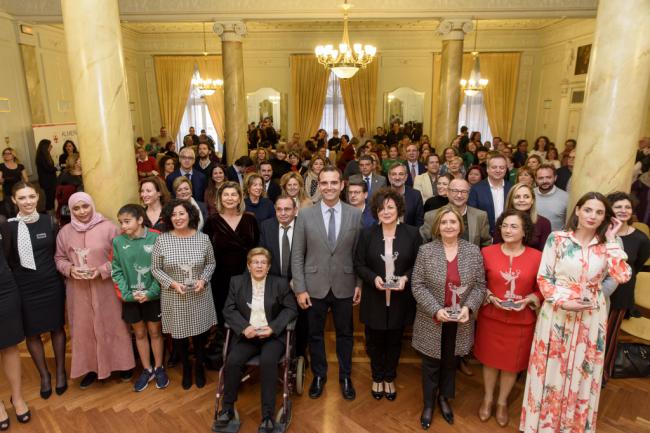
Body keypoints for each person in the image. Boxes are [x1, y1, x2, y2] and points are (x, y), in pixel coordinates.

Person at [520, 192, 632, 433]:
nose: (593, 216)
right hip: (557, 314)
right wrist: (563, 301)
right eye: (588, 209)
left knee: (583, 369)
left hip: (590, 317)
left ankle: (571, 426)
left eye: (599, 212)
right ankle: (542, 426)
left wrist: (612, 238)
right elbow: (544, 278)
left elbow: (623, 276)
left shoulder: (608, 245)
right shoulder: (557, 239)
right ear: (578, 210)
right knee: (550, 367)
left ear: (606, 218)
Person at [411, 206, 486, 428]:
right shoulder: (426, 251)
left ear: (460, 226)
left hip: (460, 320)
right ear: (437, 227)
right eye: (444, 222)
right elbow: (417, 285)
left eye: (453, 222)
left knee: (450, 361)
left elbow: (480, 286)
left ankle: (444, 398)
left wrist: (469, 308)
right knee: (431, 363)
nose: (449, 226)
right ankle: (428, 404)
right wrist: (435, 309)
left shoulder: (473, 252)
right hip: (432, 318)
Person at [292, 166, 362, 401]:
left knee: (345, 334)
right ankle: (319, 375)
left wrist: (359, 284)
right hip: (314, 286)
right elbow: (297, 254)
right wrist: (300, 288)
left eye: (334, 183)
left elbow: (358, 255)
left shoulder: (355, 214)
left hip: (344, 284)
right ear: (318, 186)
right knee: (315, 335)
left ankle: (345, 376)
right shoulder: (305, 214)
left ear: (342, 185)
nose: (329, 187)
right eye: (324, 183)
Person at [55, 192, 135, 389]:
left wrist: (101, 271)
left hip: (105, 287)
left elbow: (120, 257)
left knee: (114, 324)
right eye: (76, 208)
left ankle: (123, 365)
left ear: (92, 205)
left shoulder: (109, 228)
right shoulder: (64, 232)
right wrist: (70, 269)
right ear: (71, 210)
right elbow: (59, 258)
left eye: (85, 206)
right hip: (78, 290)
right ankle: (91, 368)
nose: (82, 212)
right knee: (83, 329)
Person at [215, 248, 297, 433]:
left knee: (269, 362)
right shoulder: (237, 282)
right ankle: (227, 409)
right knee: (233, 361)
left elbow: (291, 309)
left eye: (263, 262)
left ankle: (267, 416)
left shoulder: (279, 283)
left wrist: (273, 328)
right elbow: (228, 309)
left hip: (272, 337)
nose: (259, 265)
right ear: (248, 265)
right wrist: (244, 328)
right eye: (255, 262)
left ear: (268, 267)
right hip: (248, 335)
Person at [475, 209, 543, 427]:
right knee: (490, 361)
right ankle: (487, 398)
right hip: (491, 317)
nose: (507, 230)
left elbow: (543, 288)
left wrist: (530, 299)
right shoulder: (487, 252)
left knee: (511, 365)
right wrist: (488, 296)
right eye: (504, 225)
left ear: (525, 231)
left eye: (514, 226)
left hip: (521, 321)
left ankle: (502, 402)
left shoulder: (537, 257)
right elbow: (477, 283)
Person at [355, 188, 421, 401]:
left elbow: (419, 264)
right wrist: (373, 278)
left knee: (394, 341)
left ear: (399, 209)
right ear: (376, 211)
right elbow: (359, 264)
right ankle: (377, 376)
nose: (386, 212)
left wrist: (405, 278)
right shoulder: (367, 234)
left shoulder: (412, 233)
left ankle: (390, 377)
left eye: (390, 207)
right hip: (374, 297)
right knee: (374, 341)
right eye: (381, 208)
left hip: (400, 299)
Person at [3, 182, 67, 400]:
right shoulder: (8, 226)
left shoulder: (49, 221)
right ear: (14, 200)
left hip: (51, 283)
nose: (28, 201)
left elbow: (56, 252)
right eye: (22, 198)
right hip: (24, 286)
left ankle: (60, 372)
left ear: (38, 197)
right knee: (32, 333)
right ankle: (44, 376)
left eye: (31, 196)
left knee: (57, 328)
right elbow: (8, 258)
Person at [151, 199, 217, 390]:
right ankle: (186, 368)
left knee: (199, 335)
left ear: (190, 215)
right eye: (173, 214)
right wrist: (172, 283)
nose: (178, 218)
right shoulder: (162, 240)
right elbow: (155, 269)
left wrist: (203, 280)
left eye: (181, 213)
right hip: (174, 295)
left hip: (199, 293)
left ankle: (199, 367)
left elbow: (211, 263)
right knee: (179, 336)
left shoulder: (202, 238)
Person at [111, 204, 169, 392]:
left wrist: (151, 292)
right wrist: (128, 295)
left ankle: (159, 367)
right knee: (140, 333)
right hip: (131, 298)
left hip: (153, 296)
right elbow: (116, 270)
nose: (123, 226)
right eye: (121, 222)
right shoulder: (118, 242)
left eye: (127, 221)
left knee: (154, 332)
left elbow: (163, 267)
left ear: (140, 220)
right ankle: (147, 369)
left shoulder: (156, 237)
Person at [603, 192, 650, 383]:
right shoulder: (602, 233)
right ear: (610, 210)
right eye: (618, 207)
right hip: (597, 293)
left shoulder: (640, 238)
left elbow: (637, 265)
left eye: (627, 207)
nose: (623, 211)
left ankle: (602, 373)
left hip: (621, 293)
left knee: (608, 336)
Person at [204, 182, 259, 325]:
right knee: (223, 312)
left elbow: (257, 248)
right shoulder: (212, 221)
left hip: (246, 275)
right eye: (226, 194)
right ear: (220, 198)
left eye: (234, 194)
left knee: (246, 312)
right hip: (220, 277)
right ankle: (225, 344)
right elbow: (206, 251)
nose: (230, 198)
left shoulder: (250, 219)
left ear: (240, 198)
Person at [0, 220, 30, 426]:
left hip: (4, 289)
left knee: (10, 346)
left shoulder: (2, 225)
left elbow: (10, 257)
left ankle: (17, 397)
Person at [421, 179, 492, 247]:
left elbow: (486, 244)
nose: (459, 195)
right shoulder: (432, 216)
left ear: (468, 194)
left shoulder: (480, 216)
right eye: (455, 191)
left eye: (464, 191)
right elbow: (423, 244)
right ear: (448, 192)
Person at [493, 183, 552, 251]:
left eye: (526, 197)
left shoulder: (544, 223)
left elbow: (545, 253)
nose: (521, 200)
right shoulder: (502, 220)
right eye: (517, 197)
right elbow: (496, 248)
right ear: (511, 200)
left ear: (532, 200)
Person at [468, 153, 512, 235]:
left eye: (502, 167)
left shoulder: (511, 188)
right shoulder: (476, 189)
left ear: (506, 169)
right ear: (487, 169)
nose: (498, 170)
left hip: (508, 234)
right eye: (494, 167)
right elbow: (472, 215)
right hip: (484, 236)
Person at [387, 162, 424, 227]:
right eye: (394, 174)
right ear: (389, 177)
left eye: (401, 174)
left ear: (406, 177)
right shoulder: (382, 195)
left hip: (410, 235)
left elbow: (419, 222)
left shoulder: (415, 195)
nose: (397, 178)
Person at [534, 164, 569, 231]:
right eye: (541, 178)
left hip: (556, 240)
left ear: (555, 178)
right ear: (536, 179)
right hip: (534, 239)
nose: (544, 181)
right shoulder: (529, 195)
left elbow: (569, 223)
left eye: (548, 177)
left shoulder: (566, 197)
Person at [0, 147, 29, 217]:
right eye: (4, 153)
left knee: (21, 209)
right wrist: (2, 180)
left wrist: (24, 186)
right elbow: (0, 179)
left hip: (19, 190)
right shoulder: (1, 166)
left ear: (13, 155)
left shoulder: (20, 166)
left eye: (8, 153)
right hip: (8, 191)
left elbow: (26, 179)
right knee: (10, 210)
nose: (6, 155)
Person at [35, 139, 58, 213]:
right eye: (50, 145)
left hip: (51, 180)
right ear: (45, 147)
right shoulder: (41, 157)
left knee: (52, 197)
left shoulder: (46, 155)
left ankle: (52, 213)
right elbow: (48, 168)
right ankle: (50, 215)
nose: (51, 147)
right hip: (47, 182)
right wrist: (57, 168)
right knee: (50, 198)